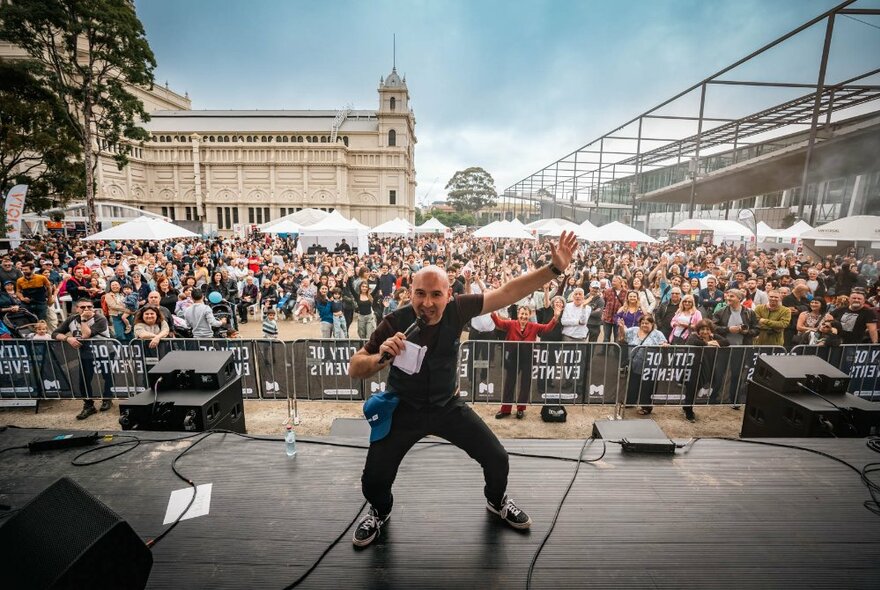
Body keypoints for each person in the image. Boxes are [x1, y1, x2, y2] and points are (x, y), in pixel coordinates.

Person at [347, 231, 577, 547]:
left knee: (497, 459)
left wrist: (553, 269)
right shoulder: (395, 320)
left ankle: (496, 501)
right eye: (419, 294)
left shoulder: (459, 309)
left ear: (449, 294)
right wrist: (378, 358)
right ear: (410, 293)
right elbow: (354, 367)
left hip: (447, 407)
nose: (426, 303)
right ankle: (380, 510)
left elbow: (508, 292)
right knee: (373, 480)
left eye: (435, 295)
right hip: (404, 409)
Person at [491, 305, 559, 419]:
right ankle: (505, 409)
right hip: (513, 357)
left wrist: (555, 317)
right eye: (521, 314)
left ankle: (520, 409)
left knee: (525, 384)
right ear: (518, 314)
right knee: (509, 383)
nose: (523, 316)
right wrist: (493, 313)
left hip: (527, 357)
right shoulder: (511, 324)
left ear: (530, 315)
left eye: (526, 314)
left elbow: (547, 328)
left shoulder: (534, 326)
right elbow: (499, 324)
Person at [52, 298, 112, 420]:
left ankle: (107, 399)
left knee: (107, 376)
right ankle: (89, 405)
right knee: (84, 380)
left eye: (89, 307)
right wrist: (68, 339)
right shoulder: (71, 319)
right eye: (83, 307)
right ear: (76, 309)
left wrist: (84, 319)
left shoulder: (100, 318)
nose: (86, 309)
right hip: (86, 353)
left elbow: (86, 335)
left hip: (104, 351)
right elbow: (55, 333)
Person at [617, 314, 667, 415]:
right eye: (642, 323)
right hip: (635, 363)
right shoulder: (634, 330)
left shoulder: (658, 334)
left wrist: (664, 345)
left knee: (647, 387)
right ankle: (630, 402)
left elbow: (664, 343)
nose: (644, 325)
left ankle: (646, 407)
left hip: (650, 366)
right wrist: (621, 327)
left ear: (652, 324)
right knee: (632, 384)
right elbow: (623, 336)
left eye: (647, 323)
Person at [683, 319, 729, 422]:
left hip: (708, 366)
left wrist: (716, 342)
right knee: (692, 388)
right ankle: (688, 411)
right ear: (698, 330)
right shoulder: (694, 336)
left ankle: (687, 406)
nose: (705, 332)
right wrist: (707, 344)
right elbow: (692, 342)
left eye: (707, 329)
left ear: (711, 330)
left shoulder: (714, 337)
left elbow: (726, 342)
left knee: (700, 386)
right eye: (702, 329)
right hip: (694, 367)